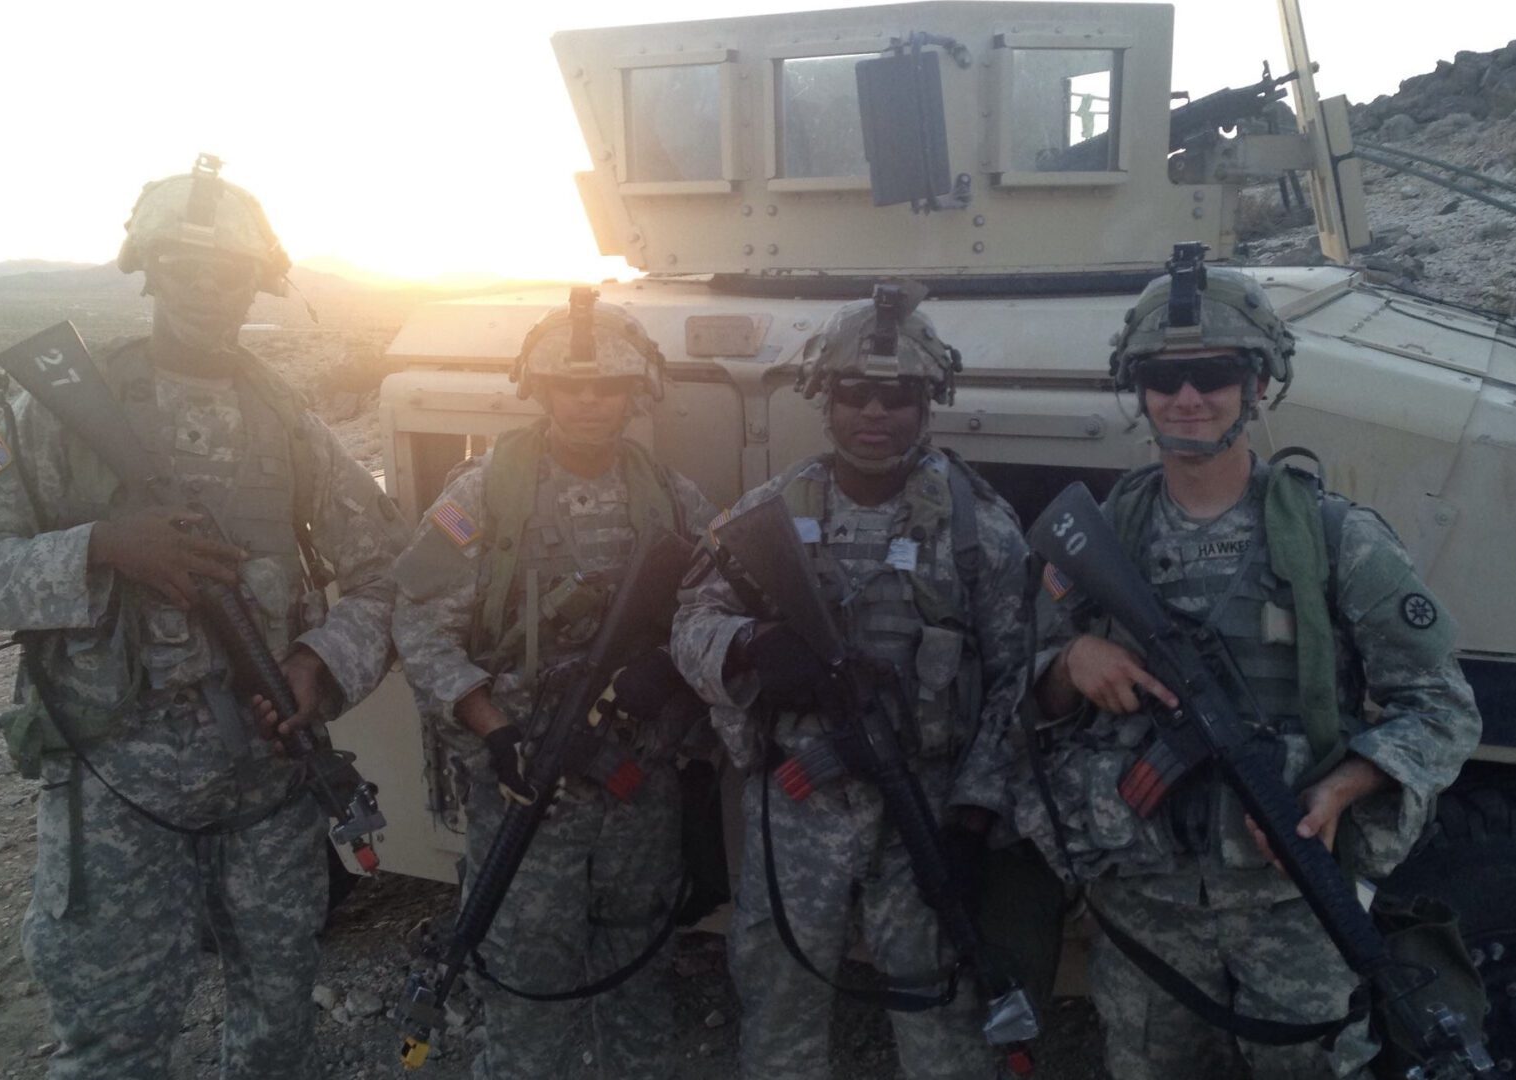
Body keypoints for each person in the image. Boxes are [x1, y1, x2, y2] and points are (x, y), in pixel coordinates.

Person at [0, 155, 409, 1079]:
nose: (206, 291)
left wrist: (319, 663)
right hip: (118, 788)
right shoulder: (56, 410)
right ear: (148, 269)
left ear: (256, 285)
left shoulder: (287, 420)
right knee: (116, 1045)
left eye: (227, 273)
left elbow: (389, 571)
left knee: (276, 1033)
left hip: (267, 788)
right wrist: (101, 547)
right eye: (184, 268)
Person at [1017, 250, 1483, 1078]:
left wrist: (1345, 785)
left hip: (1290, 905)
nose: (1187, 398)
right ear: (1139, 389)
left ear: (1256, 384)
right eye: (1163, 378)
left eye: (1214, 374)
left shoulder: (1332, 538)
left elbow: (1441, 708)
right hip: (1143, 903)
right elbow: (1020, 691)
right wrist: (1070, 660)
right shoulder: (1102, 539)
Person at [670, 285, 1041, 1080]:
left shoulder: (978, 528)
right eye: (855, 393)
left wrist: (974, 819)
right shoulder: (768, 511)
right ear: (826, 400)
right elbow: (689, 623)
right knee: (779, 998)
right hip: (799, 804)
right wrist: (752, 646)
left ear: (926, 403)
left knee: (938, 1010)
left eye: (898, 395)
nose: (875, 413)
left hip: (927, 807)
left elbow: (1015, 680)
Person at [390, 288, 715, 1080]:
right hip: (525, 779)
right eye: (572, 384)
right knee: (528, 978)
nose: (589, 401)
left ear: (633, 394)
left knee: (636, 964)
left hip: (637, 782)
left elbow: (719, 600)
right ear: (540, 389)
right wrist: (490, 724)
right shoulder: (485, 493)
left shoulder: (668, 495)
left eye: (607, 386)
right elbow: (416, 620)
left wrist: (667, 665)